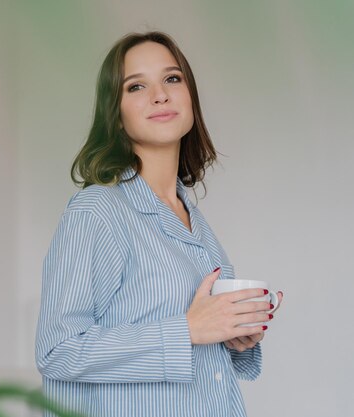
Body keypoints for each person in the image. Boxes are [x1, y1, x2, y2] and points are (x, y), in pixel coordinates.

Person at [35, 31, 284, 417]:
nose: (160, 95)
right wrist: (186, 330)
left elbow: (202, 356)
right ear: (114, 116)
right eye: (136, 86)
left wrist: (235, 338)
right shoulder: (97, 211)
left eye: (172, 78)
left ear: (190, 97)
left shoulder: (194, 221)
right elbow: (58, 352)